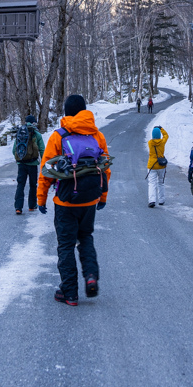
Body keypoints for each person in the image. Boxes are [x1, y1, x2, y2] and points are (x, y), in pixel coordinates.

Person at [37, 94, 110, 306]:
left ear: (66, 112)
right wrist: (102, 196)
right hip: (89, 201)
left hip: (65, 202)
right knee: (86, 237)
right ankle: (91, 276)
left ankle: (69, 293)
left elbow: (47, 172)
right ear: (85, 110)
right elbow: (105, 169)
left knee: (66, 245)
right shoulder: (97, 136)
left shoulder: (58, 136)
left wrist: (41, 199)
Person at [12, 115, 45, 214]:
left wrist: (19, 159)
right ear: (33, 122)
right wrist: (44, 162)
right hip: (33, 163)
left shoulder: (20, 133)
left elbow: (14, 150)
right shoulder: (36, 134)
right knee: (33, 185)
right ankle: (32, 205)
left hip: (21, 164)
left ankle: (18, 207)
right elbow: (42, 149)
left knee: (20, 185)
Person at [146, 125, 168, 208]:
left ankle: (152, 200)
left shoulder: (150, 143)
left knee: (152, 183)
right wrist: (161, 129)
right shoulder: (162, 142)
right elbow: (166, 136)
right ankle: (161, 200)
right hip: (161, 165)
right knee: (161, 182)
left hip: (152, 165)